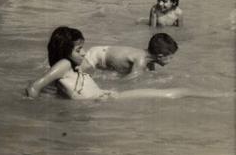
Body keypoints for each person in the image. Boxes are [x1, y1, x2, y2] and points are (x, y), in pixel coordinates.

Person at [26, 27, 212, 100]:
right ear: (64, 51)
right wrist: (32, 106)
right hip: (106, 98)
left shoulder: (69, 69)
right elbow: (34, 86)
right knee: (171, 94)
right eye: (78, 50)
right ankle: (224, 95)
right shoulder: (64, 65)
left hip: (105, 96)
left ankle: (221, 95)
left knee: (172, 94)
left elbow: (63, 89)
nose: (83, 52)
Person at [82, 33, 178, 78]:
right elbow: (129, 81)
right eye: (170, 57)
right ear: (160, 56)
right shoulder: (141, 60)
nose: (172, 60)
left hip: (103, 52)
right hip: (95, 56)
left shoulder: (150, 61)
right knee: (79, 75)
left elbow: (151, 75)